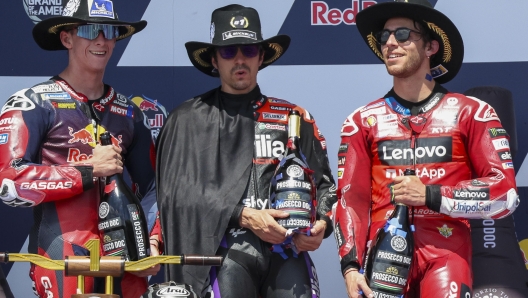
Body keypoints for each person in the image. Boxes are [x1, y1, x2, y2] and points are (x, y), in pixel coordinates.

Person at [334, 0, 519, 297]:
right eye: (384, 37)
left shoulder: (472, 113)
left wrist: (431, 195)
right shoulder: (361, 121)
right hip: (383, 261)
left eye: (403, 34)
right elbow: (351, 199)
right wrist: (350, 266)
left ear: (431, 47)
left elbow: (505, 194)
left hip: (446, 254)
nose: (390, 43)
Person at [155, 4, 337, 298]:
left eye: (249, 50)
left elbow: (326, 187)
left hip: (287, 253)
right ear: (214, 59)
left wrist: (322, 226)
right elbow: (174, 197)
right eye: (228, 51)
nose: (239, 59)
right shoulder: (186, 119)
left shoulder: (293, 117)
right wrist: (243, 215)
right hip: (222, 255)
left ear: (261, 56)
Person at [0, 0, 159, 297]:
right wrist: (87, 170)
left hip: (124, 259)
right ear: (66, 37)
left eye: (109, 31)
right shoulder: (33, 103)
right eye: (89, 29)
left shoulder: (129, 112)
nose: (101, 39)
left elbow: (153, 189)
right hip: (64, 257)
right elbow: (10, 183)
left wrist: (151, 240)